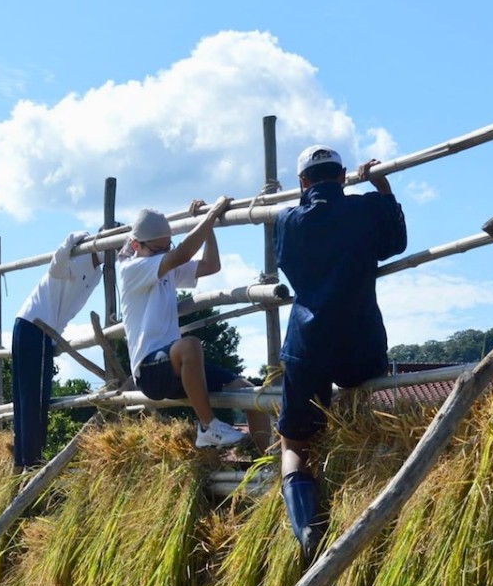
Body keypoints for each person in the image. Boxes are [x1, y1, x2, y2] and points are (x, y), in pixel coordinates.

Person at [274, 145, 407, 562]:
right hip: (361, 343)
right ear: (344, 175)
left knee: (294, 442)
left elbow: (288, 263)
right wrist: (382, 188)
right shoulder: (366, 210)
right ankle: (362, 489)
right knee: (359, 405)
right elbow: (396, 242)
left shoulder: (287, 221)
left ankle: (308, 531)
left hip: (307, 344)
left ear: (303, 183)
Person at [119, 202, 271, 451]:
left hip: (177, 367)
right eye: (158, 249)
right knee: (190, 346)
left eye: (168, 247)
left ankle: (266, 463)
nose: (165, 253)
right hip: (150, 371)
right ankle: (208, 426)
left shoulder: (162, 266)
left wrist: (207, 225)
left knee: (248, 391)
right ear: (137, 245)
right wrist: (211, 215)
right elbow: (182, 255)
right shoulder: (132, 269)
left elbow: (211, 265)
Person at [11, 230, 102, 470]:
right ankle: (30, 463)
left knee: (31, 398)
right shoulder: (79, 255)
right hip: (35, 325)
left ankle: (25, 460)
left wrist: (56, 336)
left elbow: (70, 306)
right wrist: (70, 241)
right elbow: (55, 269)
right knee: (32, 399)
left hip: (39, 327)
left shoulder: (98, 274)